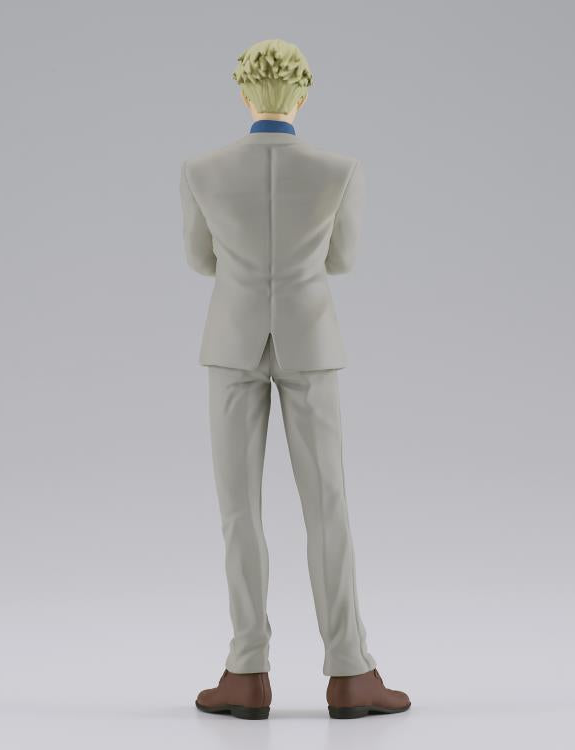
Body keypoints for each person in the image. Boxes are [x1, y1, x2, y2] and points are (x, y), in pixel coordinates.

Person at [179, 38, 410, 720]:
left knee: (238, 511)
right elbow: (342, 259)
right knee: (328, 506)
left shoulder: (202, 169)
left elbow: (200, 260)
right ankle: (350, 672)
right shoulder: (339, 170)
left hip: (231, 343)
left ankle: (246, 670)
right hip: (310, 342)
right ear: (302, 96)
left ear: (243, 95)